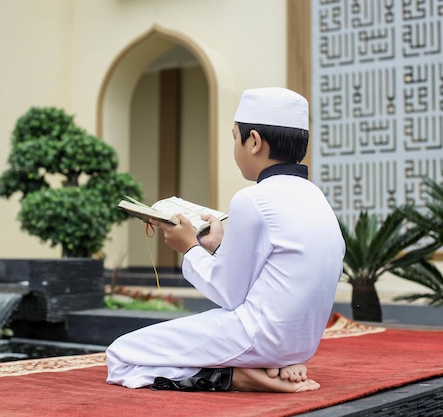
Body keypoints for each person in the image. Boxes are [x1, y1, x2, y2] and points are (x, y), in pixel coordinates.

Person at [105, 87, 345, 393]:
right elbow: (276, 271)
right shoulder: (315, 197)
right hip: (300, 345)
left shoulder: (253, 199)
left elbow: (228, 294)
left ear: (254, 141)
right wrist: (217, 247)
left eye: (235, 137)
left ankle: (236, 376)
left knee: (121, 355)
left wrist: (188, 247)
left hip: (256, 337)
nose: (235, 146)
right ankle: (263, 364)